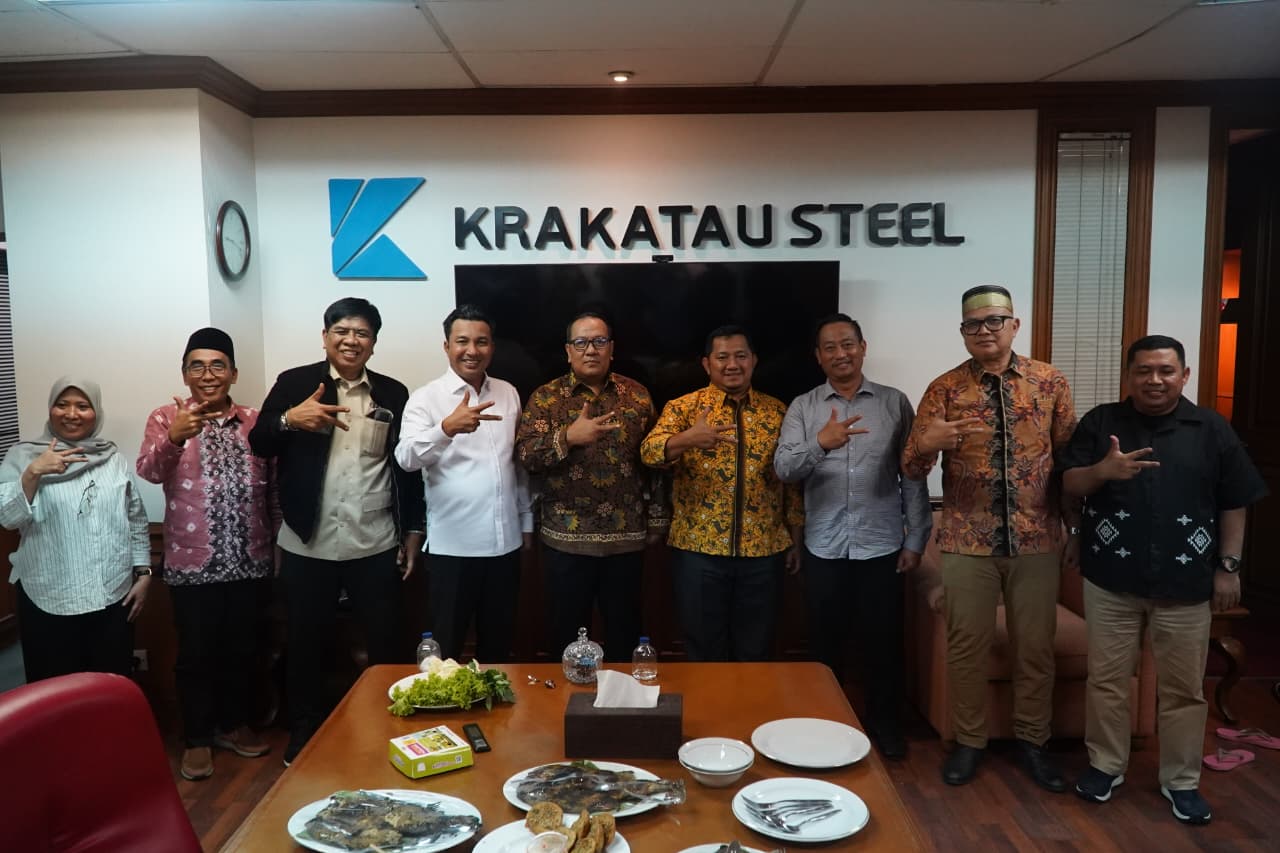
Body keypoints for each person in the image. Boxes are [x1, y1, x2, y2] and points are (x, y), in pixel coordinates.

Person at [1062, 335, 1266, 825]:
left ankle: (1181, 781)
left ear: (1184, 375)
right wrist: (1102, 471)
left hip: (1186, 583)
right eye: (1144, 370)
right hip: (1111, 579)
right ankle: (1105, 766)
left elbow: (1235, 500)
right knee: (1107, 681)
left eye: (1166, 371)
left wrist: (1229, 567)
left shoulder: (1211, 428)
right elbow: (1068, 483)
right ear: (1129, 376)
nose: (1154, 380)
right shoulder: (1101, 423)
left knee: (1183, 690)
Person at [901, 284, 1078, 791]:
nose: (984, 331)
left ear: (1014, 325)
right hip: (966, 540)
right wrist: (927, 444)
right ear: (962, 332)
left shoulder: (1049, 382)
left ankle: (1034, 742)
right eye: (972, 324)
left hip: (1037, 538)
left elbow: (1069, 462)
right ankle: (969, 742)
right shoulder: (944, 388)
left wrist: (1075, 528)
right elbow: (909, 467)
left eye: (994, 321)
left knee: (1035, 648)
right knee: (966, 647)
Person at [248, 297, 425, 766]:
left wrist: (413, 531)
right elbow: (259, 441)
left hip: (375, 542)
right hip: (309, 541)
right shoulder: (295, 383)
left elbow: (406, 470)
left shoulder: (393, 393)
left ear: (374, 343)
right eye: (342, 331)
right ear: (325, 337)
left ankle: (390, 732)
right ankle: (304, 737)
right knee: (305, 646)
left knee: (386, 646)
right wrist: (289, 419)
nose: (351, 340)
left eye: (362, 333)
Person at [775, 313, 931, 759]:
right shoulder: (803, 406)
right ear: (818, 356)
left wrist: (917, 538)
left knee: (883, 643)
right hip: (823, 546)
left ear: (863, 348)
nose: (840, 354)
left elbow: (912, 474)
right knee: (824, 647)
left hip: (881, 545)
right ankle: (826, 727)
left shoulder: (894, 403)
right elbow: (784, 469)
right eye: (830, 347)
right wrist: (820, 443)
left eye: (848, 344)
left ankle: (885, 727)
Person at [136, 328, 277, 781]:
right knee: (195, 655)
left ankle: (233, 726)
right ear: (184, 373)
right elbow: (149, 471)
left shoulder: (256, 421)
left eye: (218, 365)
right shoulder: (165, 417)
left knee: (243, 651)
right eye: (196, 366)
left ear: (233, 373)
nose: (207, 374)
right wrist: (175, 438)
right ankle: (197, 739)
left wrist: (278, 549)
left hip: (251, 561)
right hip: (191, 564)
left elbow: (273, 490)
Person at [640, 325, 802, 662]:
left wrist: (796, 538)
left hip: (763, 551)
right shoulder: (684, 408)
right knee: (703, 650)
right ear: (706, 364)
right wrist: (686, 439)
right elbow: (649, 452)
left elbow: (791, 482)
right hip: (698, 552)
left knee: (756, 650)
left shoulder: (777, 412)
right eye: (722, 357)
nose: (732, 365)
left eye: (740, 356)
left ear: (754, 360)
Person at [516, 311, 666, 662]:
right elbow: (526, 456)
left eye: (599, 341)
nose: (591, 350)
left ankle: (624, 697)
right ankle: (565, 697)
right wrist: (568, 437)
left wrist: (658, 519)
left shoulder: (637, 395)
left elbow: (656, 459)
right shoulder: (547, 398)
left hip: (626, 539)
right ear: (568, 350)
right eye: (581, 342)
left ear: (611, 348)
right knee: (566, 638)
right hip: (565, 541)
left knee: (625, 636)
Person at [394, 305, 532, 664]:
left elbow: (516, 465)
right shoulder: (426, 398)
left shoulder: (508, 392)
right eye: (462, 341)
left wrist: (527, 521)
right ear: (446, 346)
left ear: (492, 347)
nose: (472, 350)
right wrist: (445, 429)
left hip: (505, 547)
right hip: (453, 550)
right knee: (447, 651)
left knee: (498, 648)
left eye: (481, 342)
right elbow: (405, 457)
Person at [0, 377, 151, 683]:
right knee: (56, 692)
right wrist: (33, 473)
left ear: (96, 412)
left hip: (112, 595)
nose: (71, 414)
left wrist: (144, 573)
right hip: (47, 597)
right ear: (50, 409)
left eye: (82, 406)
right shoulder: (23, 457)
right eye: (62, 404)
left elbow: (135, 517)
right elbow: (8, 518)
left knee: (109, 686)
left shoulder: (113, 459)